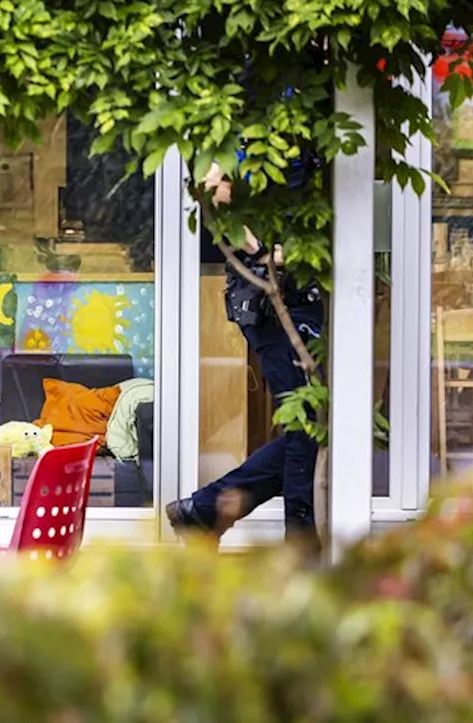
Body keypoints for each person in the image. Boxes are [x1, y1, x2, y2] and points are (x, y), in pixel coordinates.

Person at [165, 158, 324, 553]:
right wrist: (261, 253)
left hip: (302, 297)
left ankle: (203, 511)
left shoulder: (307, 126)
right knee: (304, 426)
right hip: (272, 301)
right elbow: (211, 184)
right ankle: (301, 547)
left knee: (312, 426)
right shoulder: (255, 123)